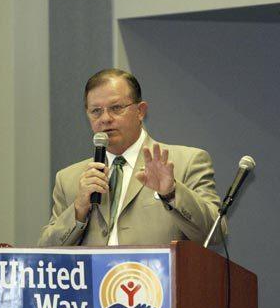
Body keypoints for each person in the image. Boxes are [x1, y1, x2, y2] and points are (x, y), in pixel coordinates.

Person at [38, 68, 225, 247]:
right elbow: (46, 252)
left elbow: (215, 233)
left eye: (116, 108)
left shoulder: (186, 162)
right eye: (96, 111)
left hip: (157, 278)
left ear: (140, 111)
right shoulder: (69, 178)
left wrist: (171, 193)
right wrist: (78, 209)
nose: (105, 118)